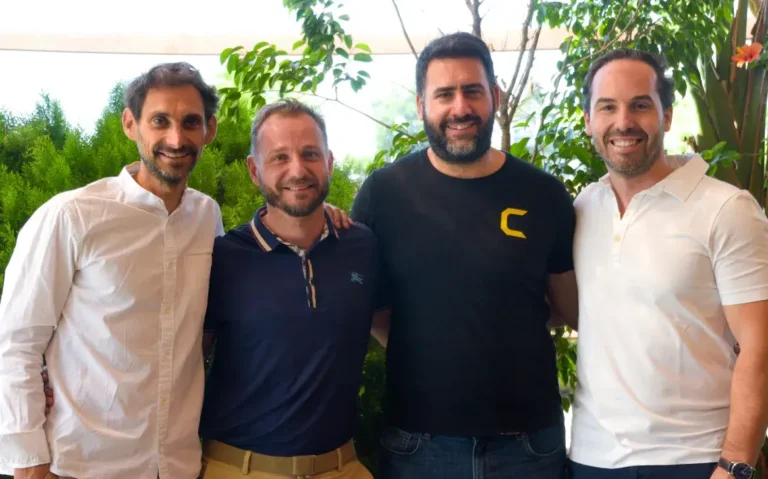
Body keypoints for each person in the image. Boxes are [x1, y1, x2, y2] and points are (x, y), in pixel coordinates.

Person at [350, 32, 579, 479]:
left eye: (473, 91)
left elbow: (566, 306)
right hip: (419, 444)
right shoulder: (383, 195)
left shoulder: (543, 194)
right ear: (422, 105)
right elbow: (371, 308)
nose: (460, 108)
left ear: (494, 97)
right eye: (445, 95)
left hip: (528, 445)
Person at [0, 62, 224, 479]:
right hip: (82, 465)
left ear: (209, 130)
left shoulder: (207, 217)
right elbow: (16, 341)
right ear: (130, 124)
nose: (176, 139)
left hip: (176, 465)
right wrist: (28, 459)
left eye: (190, 122)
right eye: (160, 121)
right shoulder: (73, 215)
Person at [568, 48, 768, 479]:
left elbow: (760, 345)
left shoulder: (727, 208)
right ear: (588, 120)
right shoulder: (584, 207)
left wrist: (734, 465)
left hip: (695, 458)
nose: (623, 122)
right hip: (591, 459)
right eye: (607, 107)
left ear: (668, 116)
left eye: (640, 105)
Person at [197, 99, 378, 479]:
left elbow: (395, 328)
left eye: (310, 154)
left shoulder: (362, 246)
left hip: (342, 467)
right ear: (254, 170)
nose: (297, 170)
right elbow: (187, 364)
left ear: (329, 162)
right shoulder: (222, 258)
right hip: (239, 469)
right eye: (279, 157)